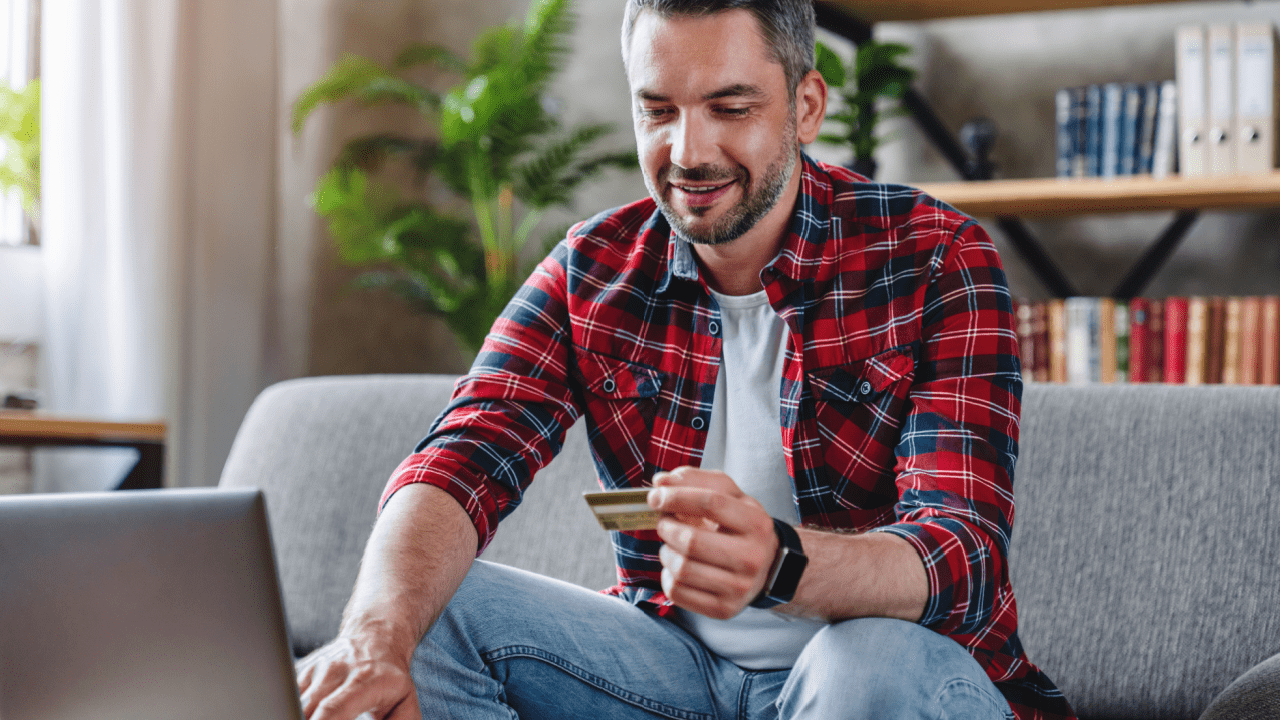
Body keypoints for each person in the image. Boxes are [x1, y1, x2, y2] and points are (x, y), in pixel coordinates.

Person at [296, 1, 1077, 718]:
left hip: (880, 675)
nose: (688, 151)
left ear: (806, 107)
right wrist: (375, 634)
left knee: (863, 661)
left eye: (730, 108)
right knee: (432, 610)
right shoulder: (593, 269)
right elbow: (463, 454)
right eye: (658, 111)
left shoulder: (935, 256)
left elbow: (961, 553)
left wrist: (781, 565)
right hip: (676, 671)